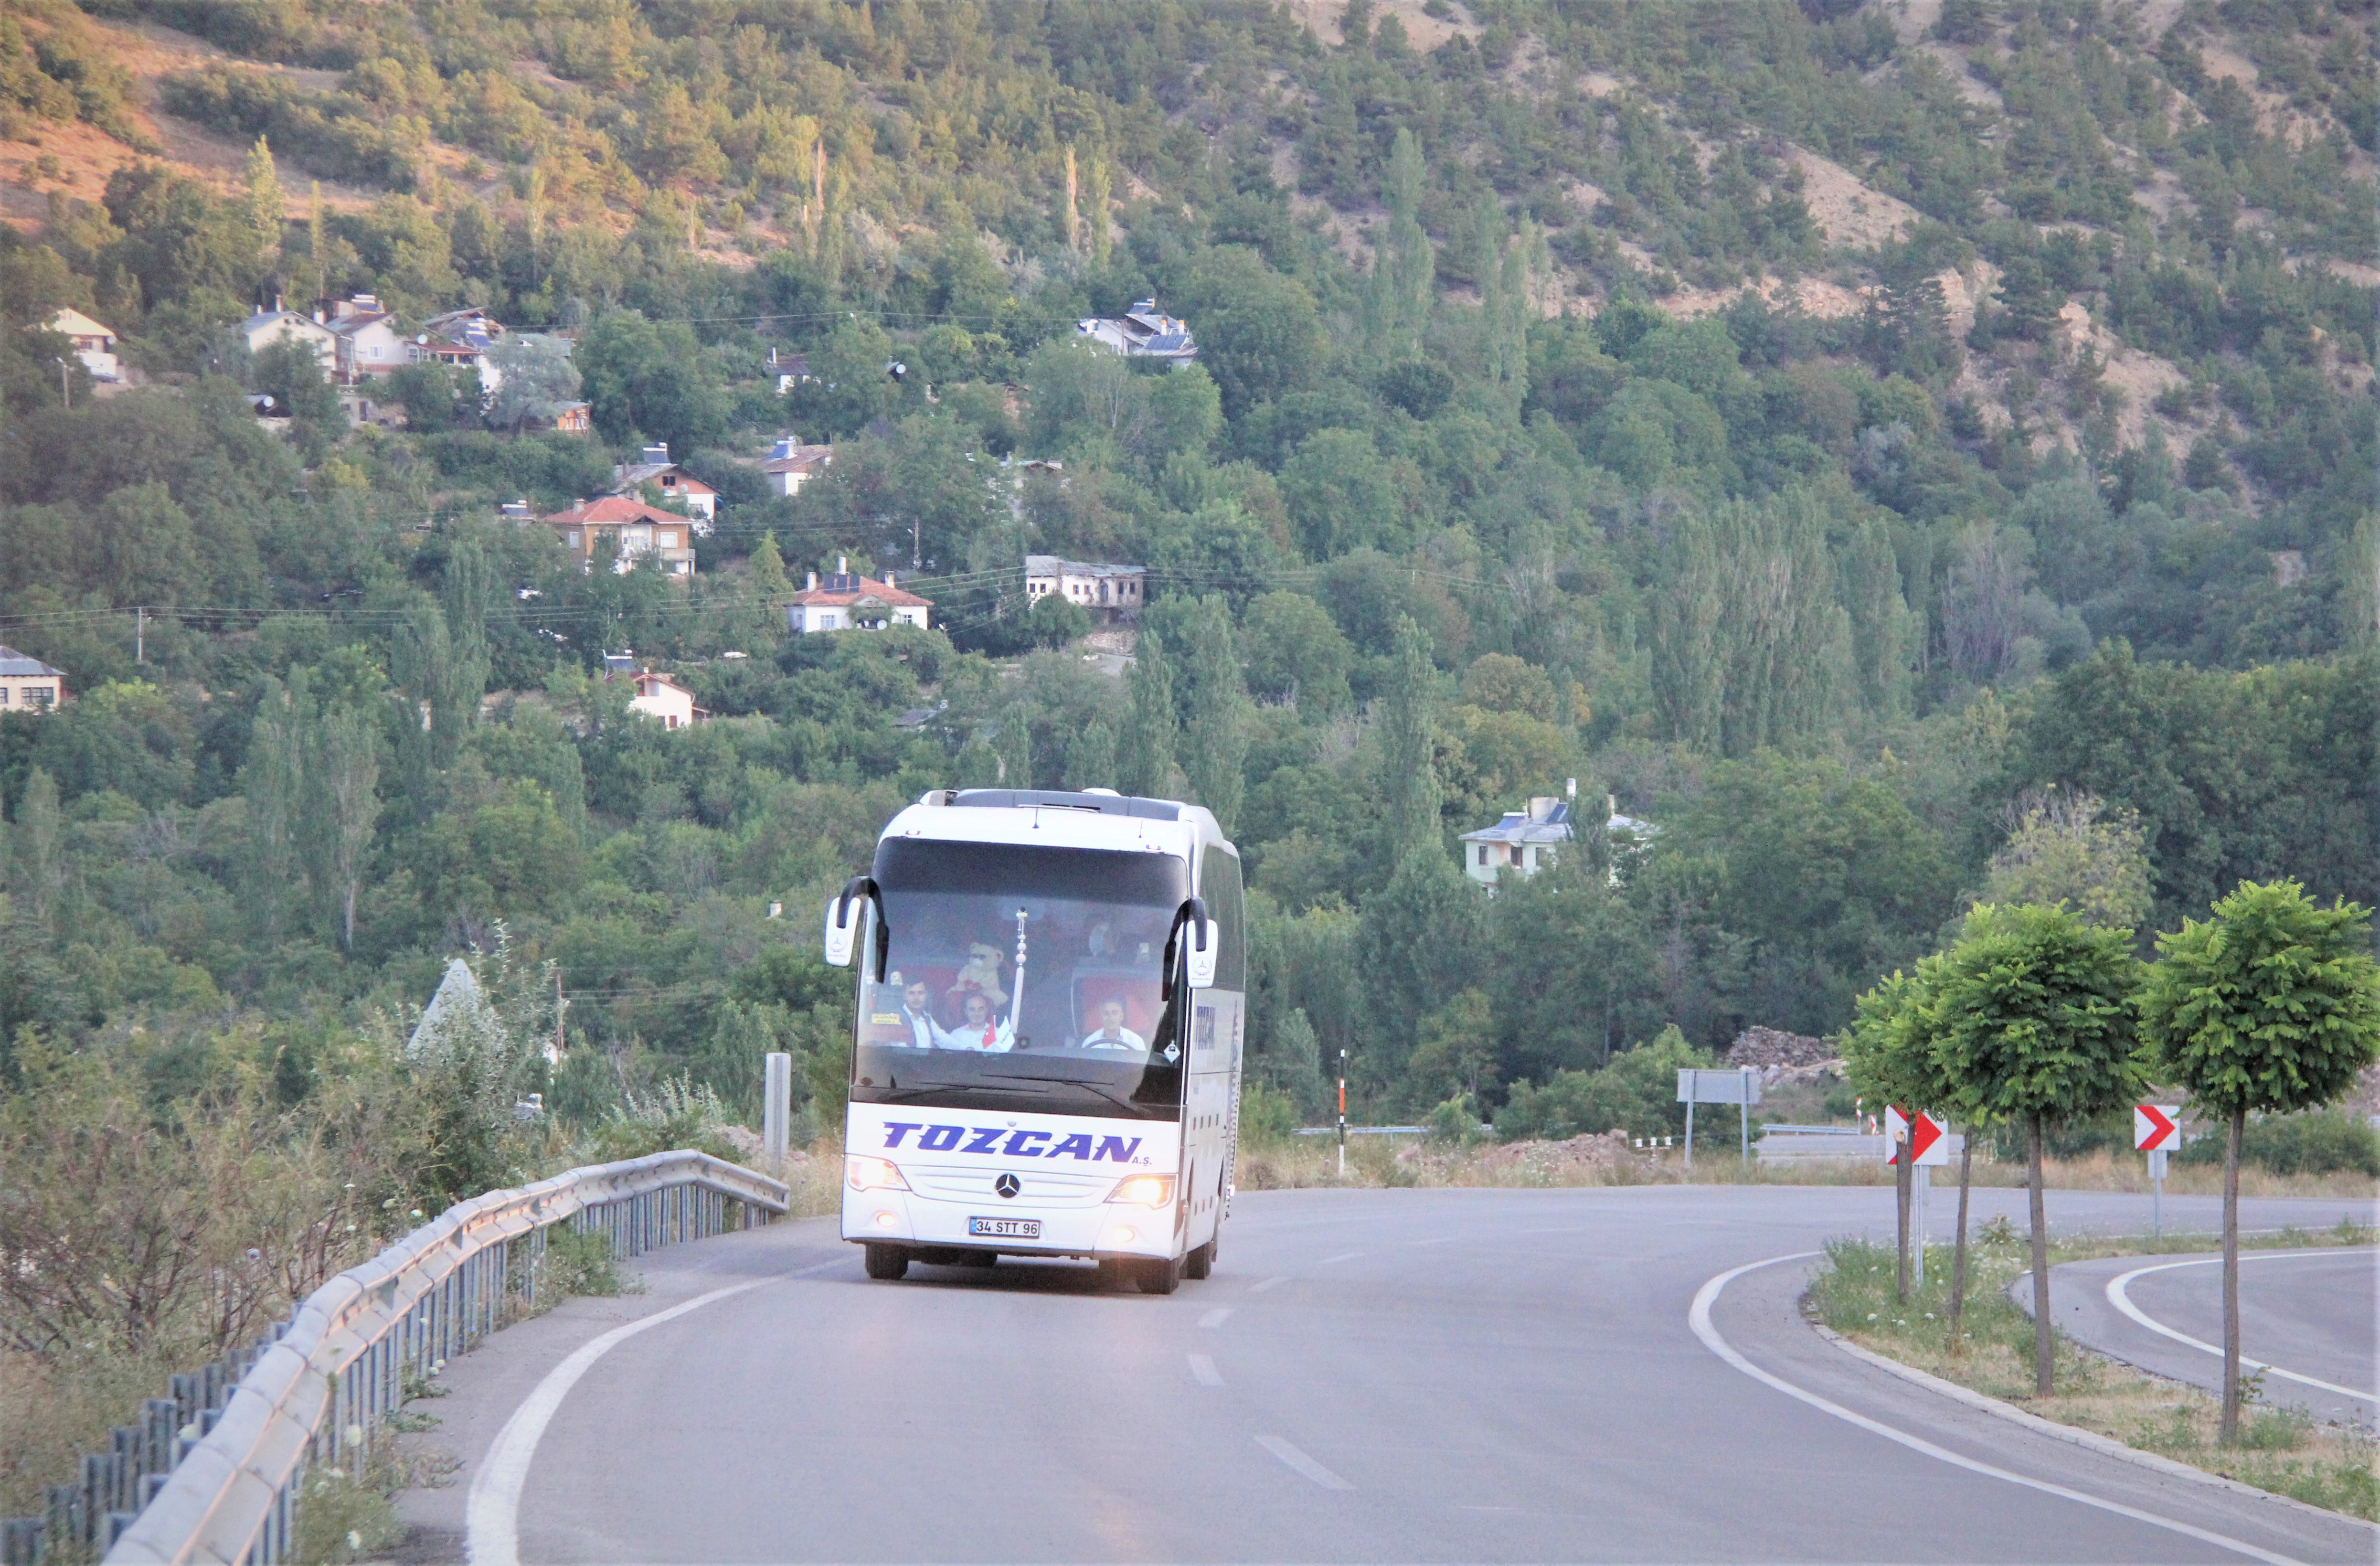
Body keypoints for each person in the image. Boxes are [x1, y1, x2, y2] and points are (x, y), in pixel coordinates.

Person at [950, 991, 1014, 1053]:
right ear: (966, 1011)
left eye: (981, 1009)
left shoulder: (999, 1034)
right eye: (972, 1009)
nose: (977, 1014)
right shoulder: (956, 1035)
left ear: (986, 1010)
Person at [1081, 997, 1146, 1052]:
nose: (1111, 1018)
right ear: (1101, 1018)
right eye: (1106, 1013)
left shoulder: (1136, 1042)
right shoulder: (1089, 1042)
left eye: (1114, 1013)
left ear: (1122, 1016)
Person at [894, 978, 944, 1049]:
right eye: (912, 993)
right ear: (904, 996)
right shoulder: (896, 1018)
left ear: (926, 995)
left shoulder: (927, 1018)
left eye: (920, 993)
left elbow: (942, 1038)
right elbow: (900, 1048)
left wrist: (965, 1049)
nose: (916, 998)